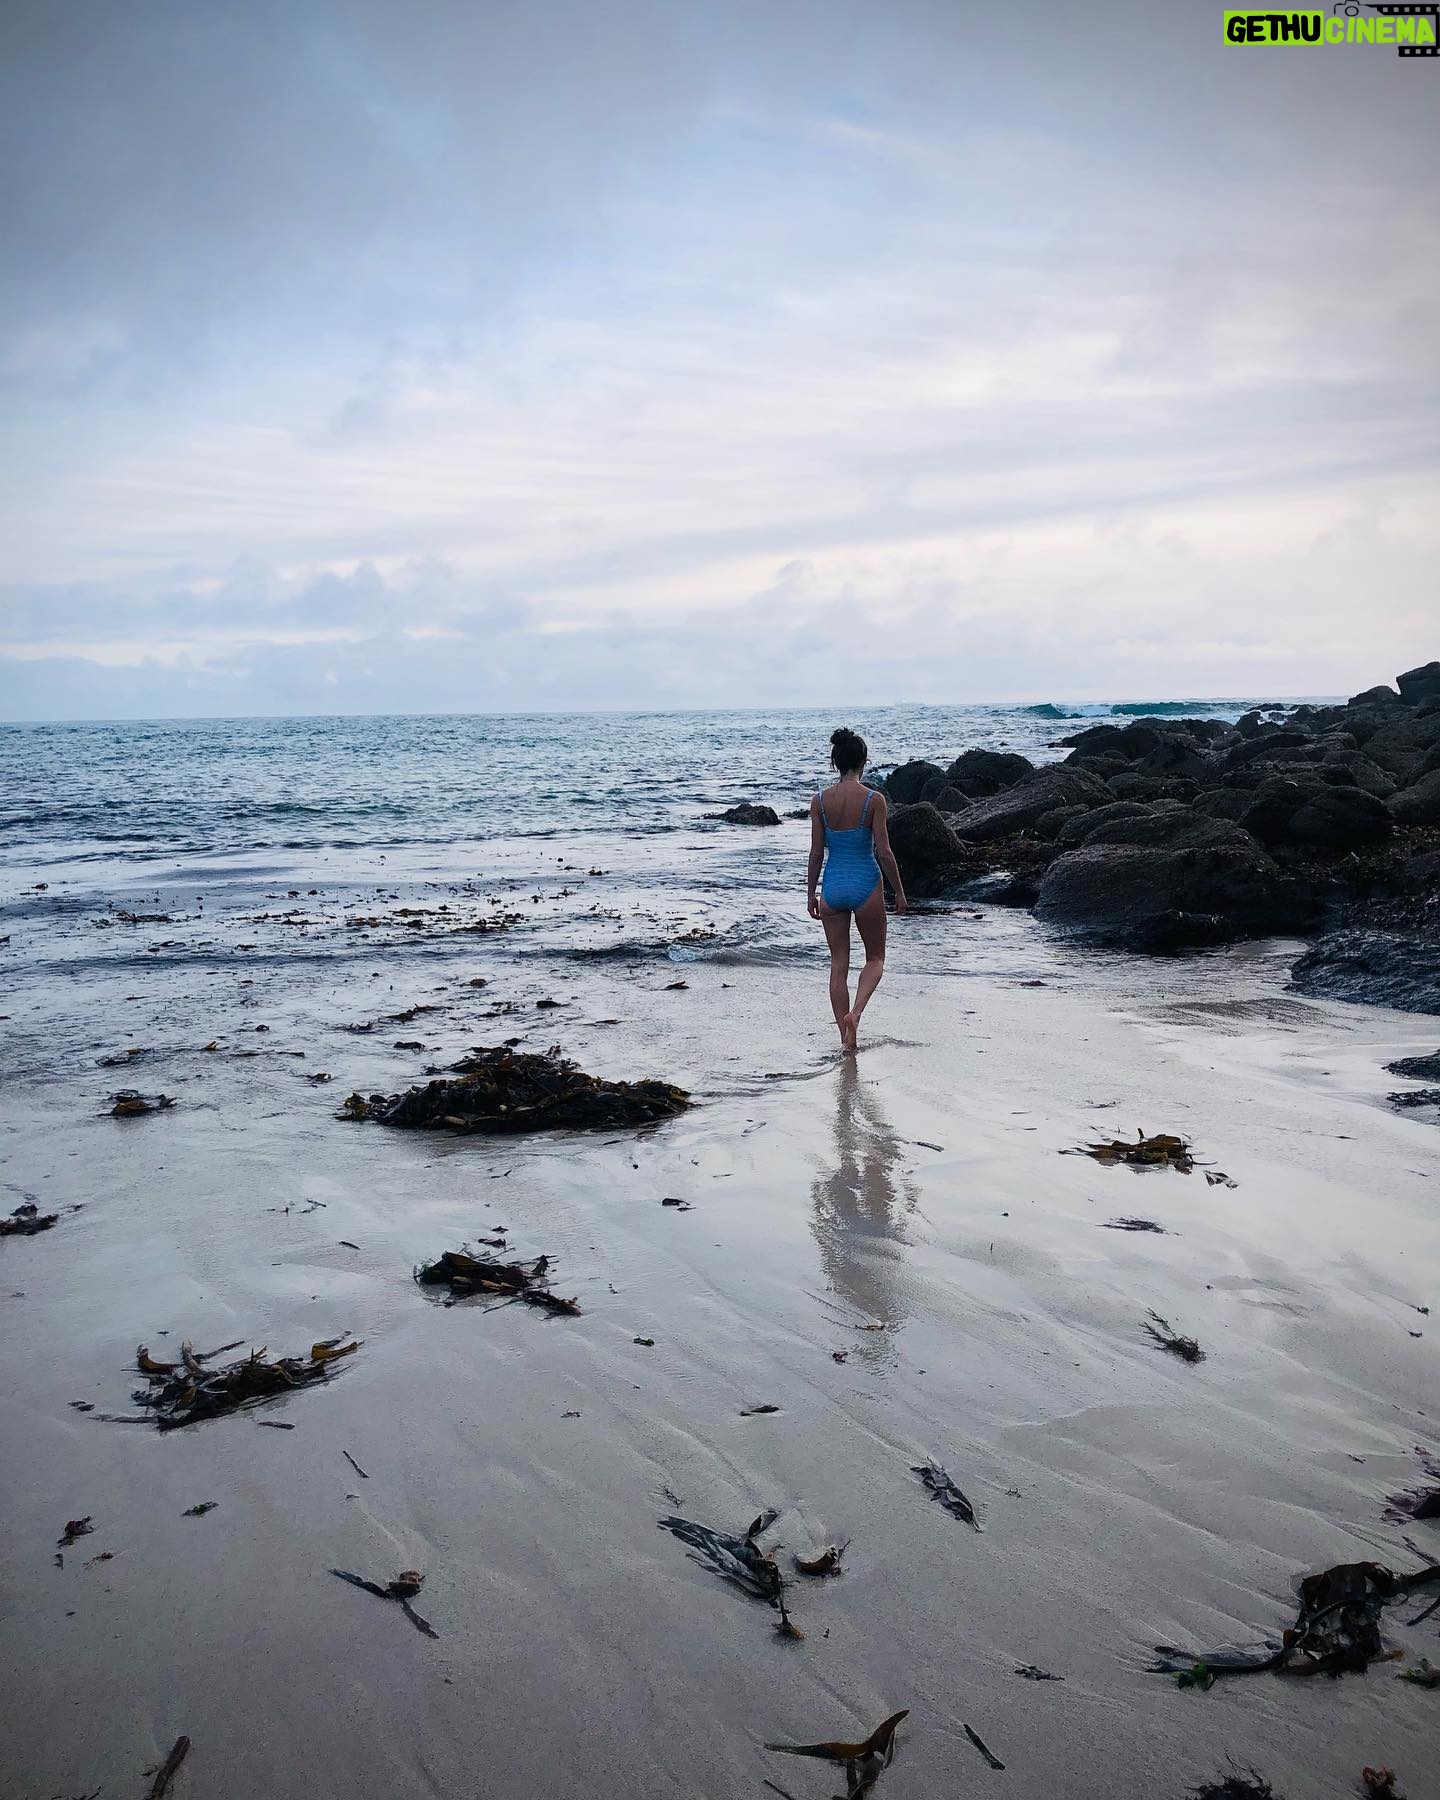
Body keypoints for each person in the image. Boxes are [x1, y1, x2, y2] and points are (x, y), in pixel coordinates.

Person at [807, 727, 907, 1053]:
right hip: (866, 883)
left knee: (838, 964)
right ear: (864, 762)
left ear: (835, 762)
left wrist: (811, 894)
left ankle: (845, 1040)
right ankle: (857, 1013)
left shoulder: (819, 801)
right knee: (875, 958)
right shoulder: (874, 800)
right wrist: (899, 891)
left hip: (833, 886)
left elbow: (816, 853)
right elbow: (884, 852)